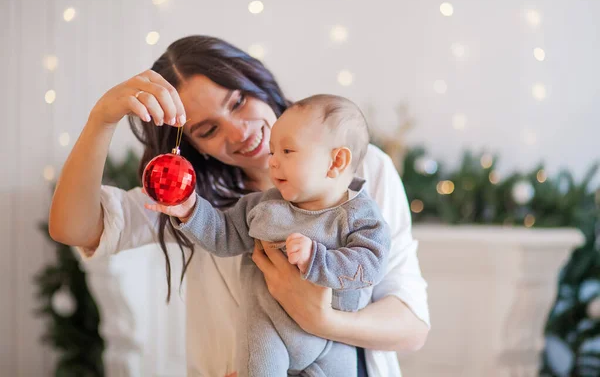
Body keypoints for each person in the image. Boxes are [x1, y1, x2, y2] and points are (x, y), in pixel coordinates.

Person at [49, 35, 430, 377]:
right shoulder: (187, 197)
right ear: (194, 146)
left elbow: (411, 325)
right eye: (208, 130)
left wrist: (319, 318)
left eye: (238, 101)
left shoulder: (362, 170)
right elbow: (71, 228)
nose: (240, 131)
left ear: (257, 83)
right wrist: (101, 120)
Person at [147, 94, 391, 376]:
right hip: (267, 329)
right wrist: (190, 209)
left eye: (287, 151)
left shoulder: (360, 214)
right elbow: (223, 234)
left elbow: (371, 263)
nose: (272, 161)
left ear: (336, 161)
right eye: (272, 152)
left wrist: (317, 258)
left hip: (333, 340)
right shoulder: (263, 205)